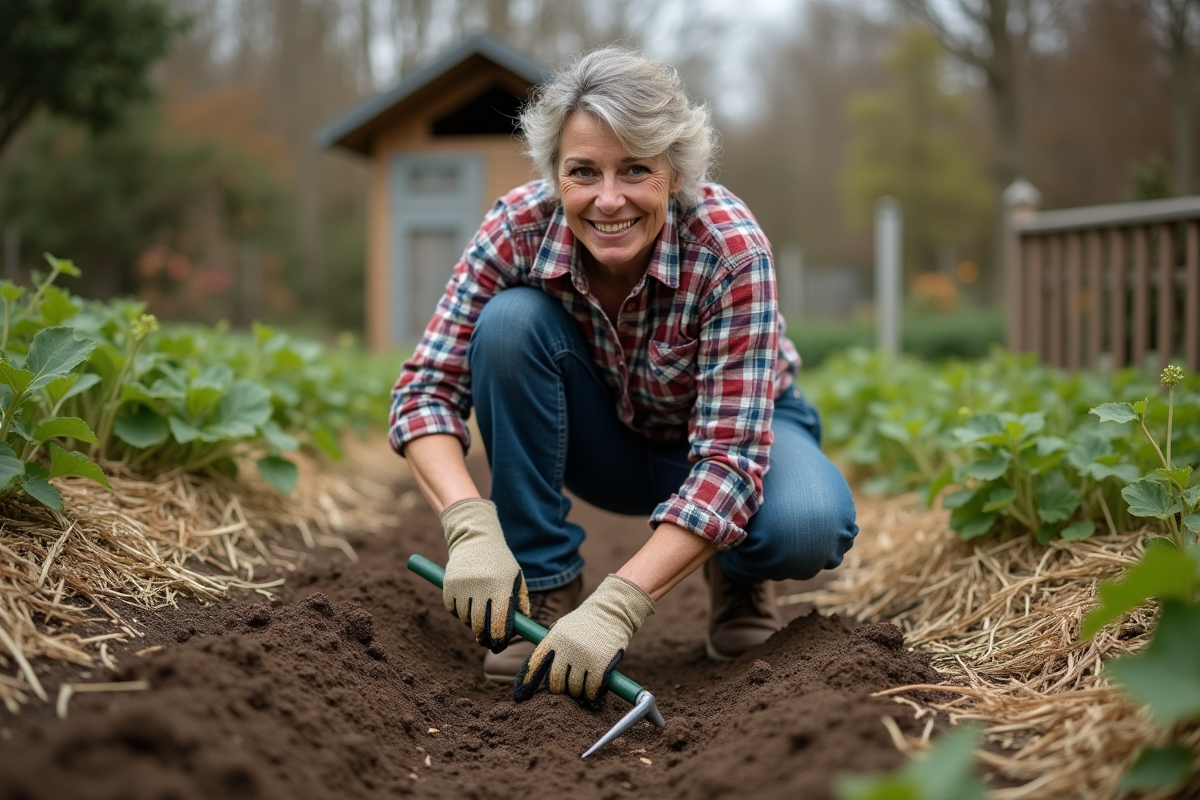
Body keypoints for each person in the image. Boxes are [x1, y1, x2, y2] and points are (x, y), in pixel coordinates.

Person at [390, 46, 857, 708]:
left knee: (807, 523)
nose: (608, 201)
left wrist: (621, 605)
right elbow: (424, 392)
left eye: (635, 169)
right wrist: (469, 523)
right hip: (601, 439)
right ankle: (543, 583)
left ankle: (738, 574)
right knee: (509, 323)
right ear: (556, 175)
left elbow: (728, 463)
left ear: (674, 174)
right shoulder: (516, 228)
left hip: (723, 443)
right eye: (584, 172)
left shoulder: (729, 250)